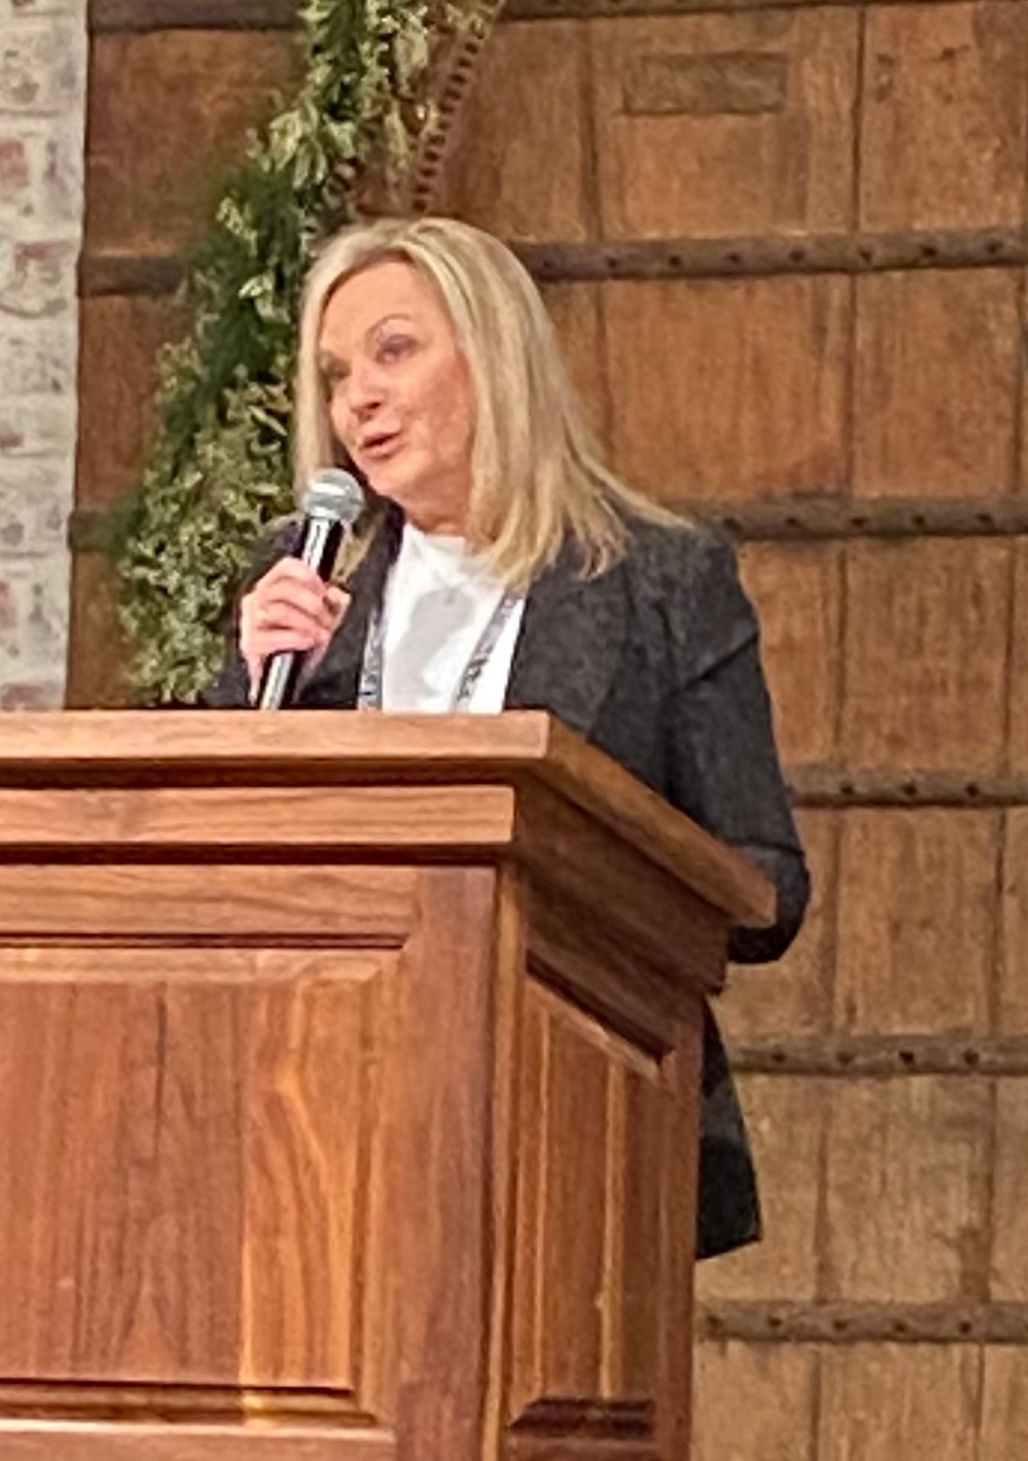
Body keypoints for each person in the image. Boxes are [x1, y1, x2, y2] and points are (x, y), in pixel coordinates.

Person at [205, 215, 809, 1261]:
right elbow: (213, 851)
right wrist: (247, 690)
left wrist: (586, 872)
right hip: (313, 1118)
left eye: (395, 351)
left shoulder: (660, 584)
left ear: (494, 356)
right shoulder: (306, 586)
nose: (360, 399)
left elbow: (765, 888)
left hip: (578, 1114)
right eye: (338, 373)